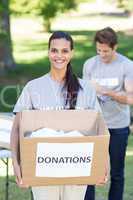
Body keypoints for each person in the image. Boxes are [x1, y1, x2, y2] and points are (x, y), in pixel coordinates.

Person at [10, 31, 107, 200]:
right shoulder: (33, 87)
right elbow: (17, 129)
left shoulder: (86, 89)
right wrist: (16, 165)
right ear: (48, 52)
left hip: (77, 167)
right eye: (54, 50)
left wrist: (103, 166)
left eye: (64, 51)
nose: (59, 56)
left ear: (72, 53)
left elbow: (99, 129)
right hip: (43, 169)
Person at [83, 27, 133, 200]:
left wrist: (105, 91)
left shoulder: (126, 65)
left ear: (115, 47)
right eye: (99, 50)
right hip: (95, 126)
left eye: (106, 51)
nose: (102, 54)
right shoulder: (89, 64)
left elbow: (130, 98)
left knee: (117, 173)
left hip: (118, 126)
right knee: (90, 172)